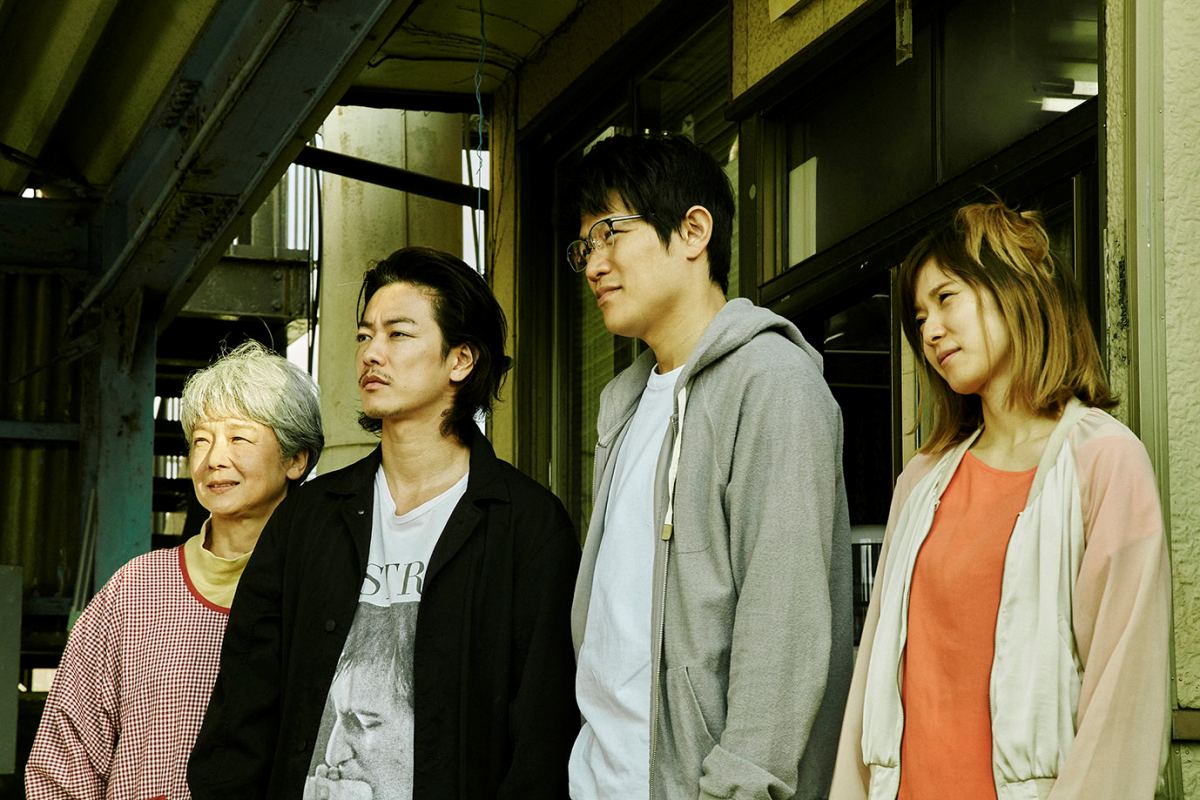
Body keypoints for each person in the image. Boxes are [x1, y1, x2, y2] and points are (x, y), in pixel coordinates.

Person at [188, 247, 581, 800]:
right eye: (364, 335)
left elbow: (543, 737)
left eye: (398, 334)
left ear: (460, 359)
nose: (372, 353)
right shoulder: (307, 518)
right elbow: (242, 712)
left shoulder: (527, 527)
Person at [829, 200, 1171, 799]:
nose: (930, 331)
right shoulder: (921, 481)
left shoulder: (1104, 461)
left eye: (946, 298)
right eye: (919, 316)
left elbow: (1124, 699)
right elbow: (869, 688)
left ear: (1015, 289)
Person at [565, 133, 853, 800]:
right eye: (584, 247)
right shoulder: (624, 406)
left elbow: (783, 620)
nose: (594, 264)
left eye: (610, 233)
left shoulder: (771, 382)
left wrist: (739, 787)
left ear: (694, 231)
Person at [26, 340, 324, 800]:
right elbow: (64, 759)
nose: (214, 459)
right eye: (201, 440)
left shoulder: (326, 588)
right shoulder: (136, 589)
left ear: (296, 459)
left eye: (239, 438)